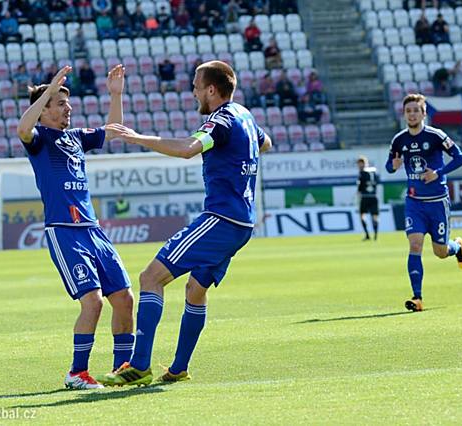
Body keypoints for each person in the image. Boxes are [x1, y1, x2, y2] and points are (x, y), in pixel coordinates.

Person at [99, 60, 273, 386]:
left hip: (220, 219)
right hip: (242, 223)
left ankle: (138, 365)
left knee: (151, 277)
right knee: (195, 290)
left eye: (196, 85)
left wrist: (137, 138)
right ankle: (178, 368)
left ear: (211, 89)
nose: (192, 91)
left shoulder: (220, 120)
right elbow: (265, 143)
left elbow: (187, 149)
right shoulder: (244, 115)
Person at [16, 65, 135, 389]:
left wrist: (115, 94)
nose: (68, 108)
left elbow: (115, 130)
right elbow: (22, 128)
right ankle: (76, 373)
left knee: (124, 298)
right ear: (45, 111)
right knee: (93, 301)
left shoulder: (76, 138)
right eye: (60, 104)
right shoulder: (39, 139)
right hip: (64, 230)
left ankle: (123, 369)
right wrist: (49, 88)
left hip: (92, 229)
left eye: (68, 104)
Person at [385, 94, 462, 313]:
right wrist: (393, 165)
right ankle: (417, 298)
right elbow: (389, 166)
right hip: (414, 202)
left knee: (440, 252)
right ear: (404, 115)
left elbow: (460, 158)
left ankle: (457, 246)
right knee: (414, 245)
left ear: (424, 113)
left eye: (416, 110)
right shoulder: (399, 140)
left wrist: (438, 173)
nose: (412, 114)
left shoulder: (436, 136)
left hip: (437, 202)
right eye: (408, 110)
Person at [356, 156, 380, 241]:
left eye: (360, 163)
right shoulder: (374, 171)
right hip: (374, 196)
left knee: (362, 216)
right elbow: (377, 181)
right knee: (375, 217)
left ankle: (367, 235)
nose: (359, 165)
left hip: (365, 197)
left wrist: (358, 193)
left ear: (363, 163)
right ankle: (375, 235)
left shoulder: (362, 173)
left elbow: (360, 186)